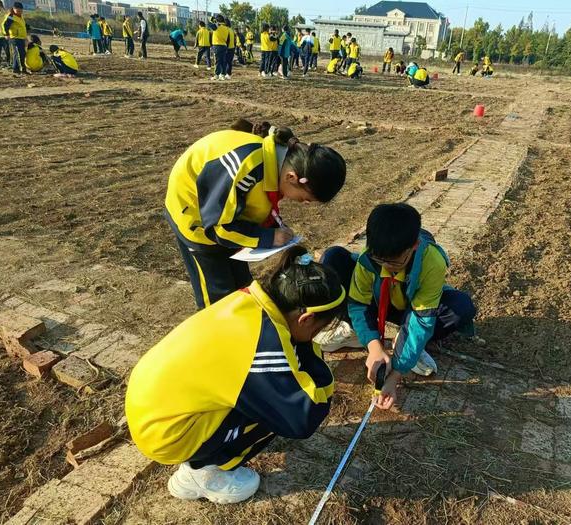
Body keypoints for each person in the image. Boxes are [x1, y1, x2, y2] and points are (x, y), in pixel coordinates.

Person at [125, 245, 344, 504]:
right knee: (277, 409)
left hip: (150, 406)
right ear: (305, 319)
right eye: (319, 328)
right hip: (166, 435)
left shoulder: (249, 298)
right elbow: (304, 417)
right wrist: (310, 354)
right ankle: (205, 473)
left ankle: (206, 455)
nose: (317, 336)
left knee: (265, 393)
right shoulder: (262, 346)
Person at [164, 126, 347, 308]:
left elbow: (258, 201)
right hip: (197, 220)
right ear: (292, 177)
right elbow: (218, 228)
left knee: (242, 284)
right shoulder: (246, 169)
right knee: (218, 296)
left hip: (226, 215)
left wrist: (274, 226)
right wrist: (267, 237)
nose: (304, 204)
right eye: (305, 199)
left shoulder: (279, 163)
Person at [318, 203, 477, 410]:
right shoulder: (368, 259)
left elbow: (422, 318)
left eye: (394, 263)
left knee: (460, 307)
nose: (386, 266)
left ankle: (410, 347)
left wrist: (395, 375)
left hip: (411, 309)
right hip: (380, 301)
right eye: (379, 260)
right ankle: (362, 334)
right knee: (333, 258)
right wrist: (375, 347)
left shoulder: (432, 262)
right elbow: (358, 304)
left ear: (414, 246)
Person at [3, 2, 27, 74]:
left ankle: (18, 69)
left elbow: (22, 26)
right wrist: (6, 34)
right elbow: (5, 25)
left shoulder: (21, 17)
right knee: (19, 54)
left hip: (21, 37)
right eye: (18, 10)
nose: (20, 12)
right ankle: (19, 69)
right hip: (14, 38)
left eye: (21, 10)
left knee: (22, 53)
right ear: (13, 9)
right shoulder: (11, 16)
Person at [210, 15, 229, 80]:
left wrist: (212, 21)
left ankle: (216, 75)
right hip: (224, 45)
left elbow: (211, 26)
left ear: (217, 20)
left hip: (217, 45)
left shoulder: (217, 26)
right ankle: (223, 74)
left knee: (217, 61)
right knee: (223, 61)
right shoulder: (226, 27)